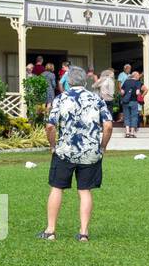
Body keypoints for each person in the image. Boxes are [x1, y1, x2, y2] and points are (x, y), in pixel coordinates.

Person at [40, 65, 113, 242]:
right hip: (90, 152)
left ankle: (50, 231)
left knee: (57, 188)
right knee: (85, 191)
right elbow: (108, 125)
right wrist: (102, 147)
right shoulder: (96, 99)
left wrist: (52, 146)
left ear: (69, 81)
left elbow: (50, 126)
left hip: (64, 151)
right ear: (84, 81)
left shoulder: (60, 99)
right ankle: (83, 233)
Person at [120, 69, 144, 137]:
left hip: (126, 102)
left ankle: (127, 132)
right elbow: (137, 93)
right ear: (136, 76)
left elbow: (122, 92)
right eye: (138, 75)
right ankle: (132, 133)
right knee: (134, 116)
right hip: (134, 102)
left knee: (126, 116)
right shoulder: (138, 83)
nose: (139, 76)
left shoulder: (126, 82)